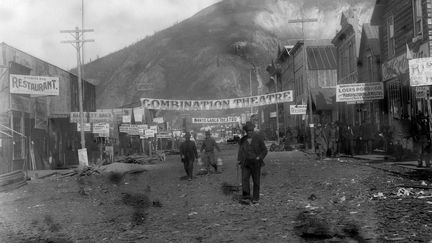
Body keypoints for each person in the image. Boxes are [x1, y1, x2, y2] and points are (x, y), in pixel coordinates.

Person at [237, 121, 268, 204]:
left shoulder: (258, 138)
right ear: (246, 131)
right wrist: (239, 160)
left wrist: (259, 157)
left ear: (253, 130)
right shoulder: (243, 140)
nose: (249, 132)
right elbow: (240, 151)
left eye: (251, 131)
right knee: (244, 180)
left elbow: (265, 150)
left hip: (256, 162)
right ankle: (246, 197)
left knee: (256, 181)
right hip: (246, 162)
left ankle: (255, 198)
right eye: (248, 131)